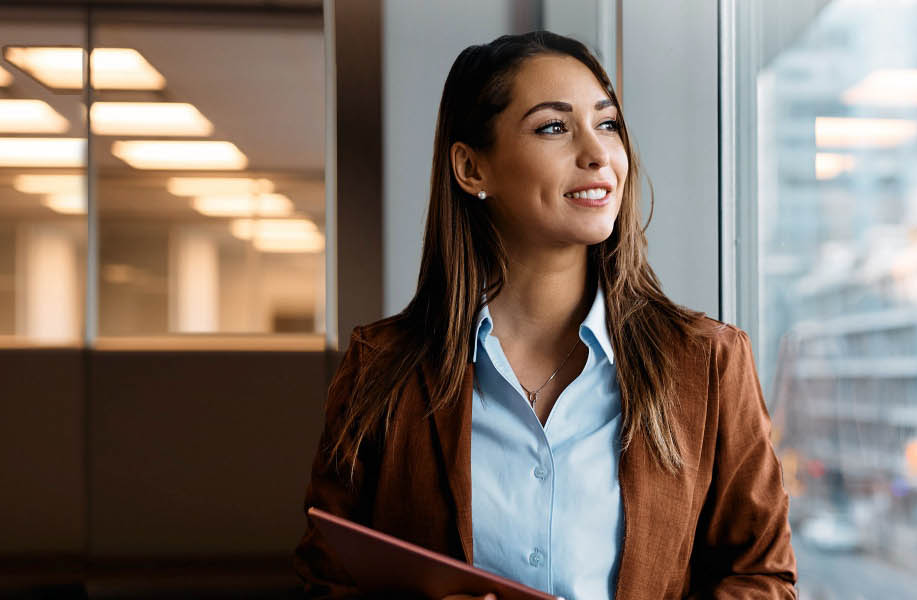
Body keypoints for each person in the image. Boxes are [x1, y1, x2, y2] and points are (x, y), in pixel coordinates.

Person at [293, 31, 796, 599]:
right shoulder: (381, 369)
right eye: (553, 127)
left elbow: (764, 577)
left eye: (606, 124)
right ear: (471, 169)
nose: (597, 153)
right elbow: (325, 579)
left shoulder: (707, 363)